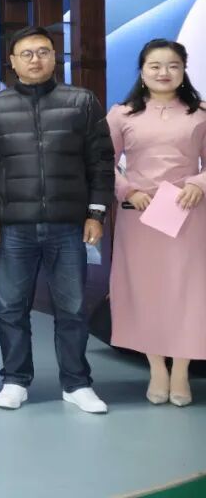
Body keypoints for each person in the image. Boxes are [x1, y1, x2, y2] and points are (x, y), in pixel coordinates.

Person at [0, 26, 115, 414]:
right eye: (27, 53)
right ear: (12, 61)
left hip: (68, 225)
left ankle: (76, 383)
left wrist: (96, 213)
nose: (35, 59)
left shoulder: (81, 101)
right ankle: (15, 380)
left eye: (43, 52)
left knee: (72, 308)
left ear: (55, 57)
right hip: (14, 226)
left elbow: (101, 162)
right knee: (11, 307)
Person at [106, 38, 206, 407]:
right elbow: (101, 161)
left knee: (188, 293)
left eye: (173, 66)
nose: (164, 72)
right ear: (142, 71)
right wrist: (128, 190)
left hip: (188, 213)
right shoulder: (122, 114)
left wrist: (199, 183)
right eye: (155, 66)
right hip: (140, 216)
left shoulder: (200, 113)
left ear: (183, 70)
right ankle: (156, 368)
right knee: (145, 291)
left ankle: (181, 370)